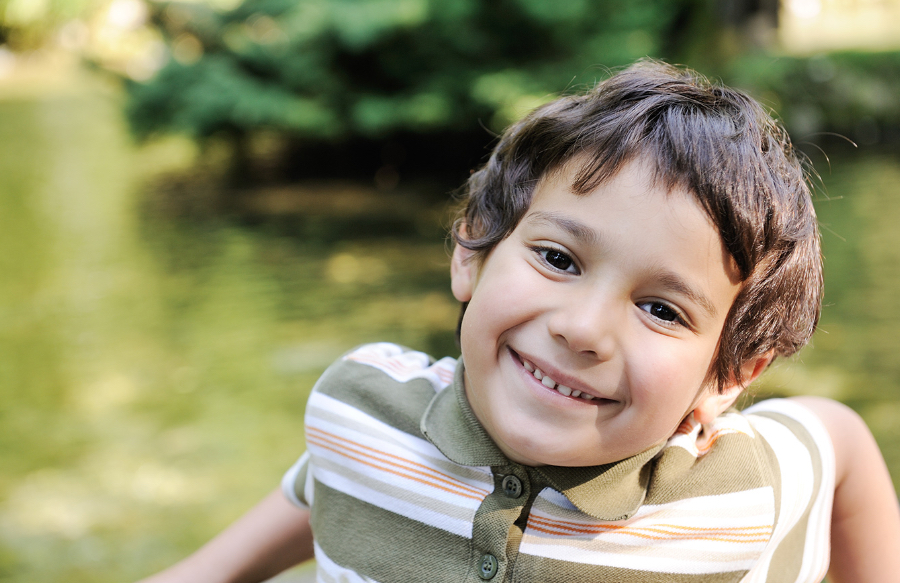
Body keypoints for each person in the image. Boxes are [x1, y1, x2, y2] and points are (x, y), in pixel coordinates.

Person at [137, 60, 900, 583]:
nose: (583, 328)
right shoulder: (362, 408)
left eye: (662, 309)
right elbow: (343, 477)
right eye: (559, 259)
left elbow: (836, 440)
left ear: (727, 375)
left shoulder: (739, 495)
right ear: (473, 247)